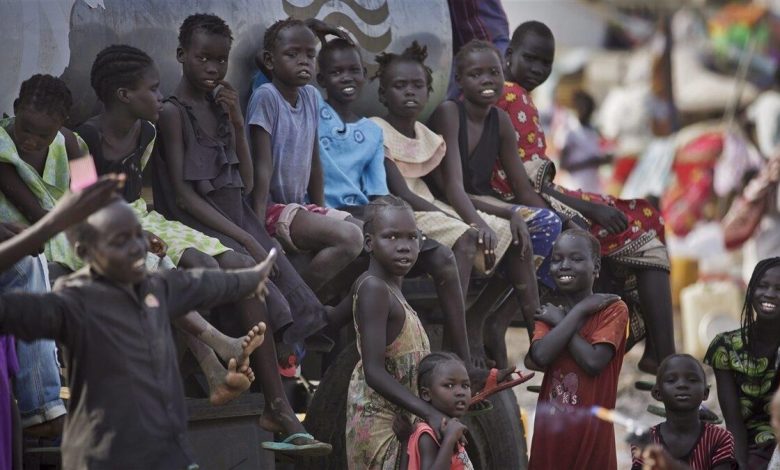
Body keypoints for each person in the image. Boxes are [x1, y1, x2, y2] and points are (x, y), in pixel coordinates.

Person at [153, 13, 331, 455]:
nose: (213, 69)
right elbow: (182, 195)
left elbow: (249, 184)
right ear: (181, 57)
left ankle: (280, 389)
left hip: (238, 216)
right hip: (202, 221)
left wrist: (235, 123)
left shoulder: (221, 107)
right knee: (249, 272)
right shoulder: (173, 114)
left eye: (220, 60)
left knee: (291, 292)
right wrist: (247, 239)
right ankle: (276, 404)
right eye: (203, 58)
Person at [0, 197, 276, 470]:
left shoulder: (75, 150)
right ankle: (216, 353)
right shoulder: (8, 157)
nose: (37, 147)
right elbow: (41, 214)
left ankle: (213, 367)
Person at [76, 43, 272, 405]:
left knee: (211, 263)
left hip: (138, 216)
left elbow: (140, 195)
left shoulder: (146, 133)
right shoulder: (83, 140)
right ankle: (212, 351)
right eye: (152, 89)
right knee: (160, 267)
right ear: (123, 95)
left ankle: (214, 369)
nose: (161, 96)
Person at [496, 20, 674, 374]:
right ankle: (661, 352)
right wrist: (589, 207)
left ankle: (657, 349)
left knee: (642, 216)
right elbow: (528, 181)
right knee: (644, 224)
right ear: (509, 55)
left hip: (537, 191)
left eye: (545, 63)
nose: (538, 69)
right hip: (529, 196)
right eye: (530, 58)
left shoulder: (515, 96)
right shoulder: (513, 97)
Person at [315, 37, 473, 367]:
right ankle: (378, 345)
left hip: (362, 212)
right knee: (383, 250)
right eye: (337, 71)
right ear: (321, 78)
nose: (347, 78)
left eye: (355, 71)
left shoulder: (371, 133)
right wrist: (323, 31)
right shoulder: (313, 111)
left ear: (365, 76)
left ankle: (461, 356)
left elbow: (376, 194)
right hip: (325, 212)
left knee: (441, 255)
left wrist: (399, 225)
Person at [427, 39, 562, 366]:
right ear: (459, 80)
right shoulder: (450, 113)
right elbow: (453, 187)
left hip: (481, 200)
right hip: (447, 201)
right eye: (475, 74)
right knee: (514, 231)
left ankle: (534, 337)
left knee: (550, 226)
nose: (487, 80)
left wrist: (559, 218)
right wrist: (487, 219)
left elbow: (521, 187)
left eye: (493, 72)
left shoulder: (500, 121)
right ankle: (478, 329)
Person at [0, 175, 123, 470]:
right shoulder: (7, 147)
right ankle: (49, 408)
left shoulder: (76, 144)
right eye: (26, 130)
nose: (31, 140)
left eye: (43, 134)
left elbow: (96, 195)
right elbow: (38, 216)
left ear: (60, 125)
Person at [246, 18, 363, 295]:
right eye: (292, 54)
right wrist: (258, 233)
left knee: (369, 240)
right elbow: (262, 169)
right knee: (350, 238)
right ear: (269, 60)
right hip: (272, 209)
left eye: (310, 55)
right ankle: (295, 303)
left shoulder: (311, 95)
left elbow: (314, 160)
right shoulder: (266, 97)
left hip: (300, 207)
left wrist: (321, 211)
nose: (304, 61)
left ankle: (314, 307)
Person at [346, 195, 441, 469]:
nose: (404, 247)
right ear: (369, 243)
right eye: (392, 237)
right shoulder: (374, 288)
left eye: (412, 238)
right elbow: (373, 372)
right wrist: (428, 412)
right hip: (380, 423)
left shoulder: (387, 287)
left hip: (400, 417)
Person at [528, 229, 628, 470]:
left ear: (596, 267)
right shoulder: (549, 312)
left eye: (576, 259)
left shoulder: (613, 310)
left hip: (591, 433)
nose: (564, 265)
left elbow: (593, 362)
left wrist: (565, 320)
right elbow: (540, 356)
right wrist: (578, 312)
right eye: (557, 259)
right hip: (551, 432)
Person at [705, 257, 780, 469]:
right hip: (746, 443)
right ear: (750, 290)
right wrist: (740, 463)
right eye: (762, 286)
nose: (770, 294)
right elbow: (734, 421)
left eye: (779, 288)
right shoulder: (725, 347)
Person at [630, 354, 736, 470]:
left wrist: (671, 465)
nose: (682, 385)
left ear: (705, 393)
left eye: (692, 380)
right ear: (657, 393)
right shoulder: (647, 439)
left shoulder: (719, 437)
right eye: (671, 380)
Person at [398, 352, 474, 470]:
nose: (460, 392)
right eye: (449, 385)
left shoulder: (449, 428)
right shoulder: (429, 436)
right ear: (426, 394)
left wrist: (405, 442)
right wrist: (449, 440)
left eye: (465, 385)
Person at [560, 90, 610, 194]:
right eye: (584, 109)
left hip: (593, 187)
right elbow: (563, 165)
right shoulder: (570, 132)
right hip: (574, 187)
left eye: (589, 110)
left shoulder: (593, 131)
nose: (587, 113)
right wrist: (590, 162)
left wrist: (603, 160)